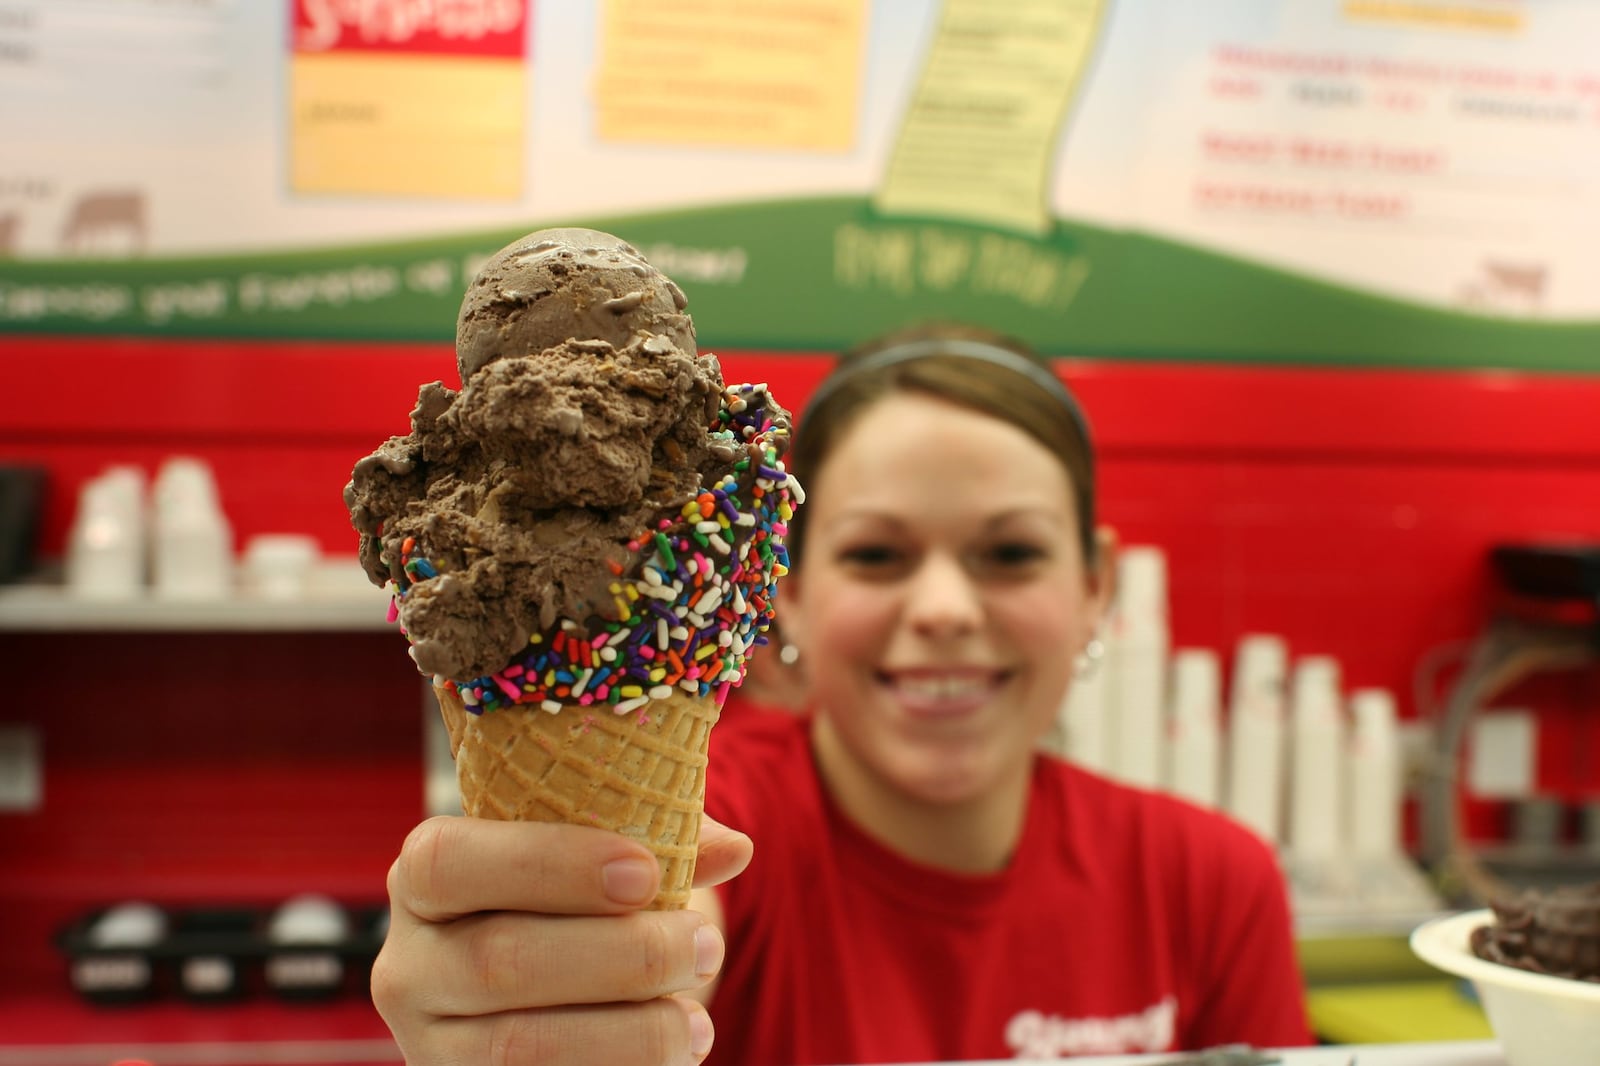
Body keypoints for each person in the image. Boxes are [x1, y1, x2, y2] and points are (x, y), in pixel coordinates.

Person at [371, 324, 1313, 1065]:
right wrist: (545, 998)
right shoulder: (723, 825)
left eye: (1011, 553)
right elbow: (662, 936)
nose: (943, 608)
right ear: (790, 590)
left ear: (1096, 586)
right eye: (876, 555)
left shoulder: (1212, 885)